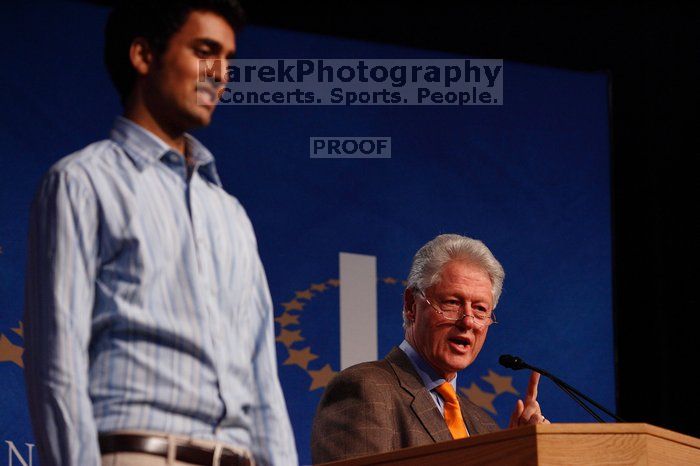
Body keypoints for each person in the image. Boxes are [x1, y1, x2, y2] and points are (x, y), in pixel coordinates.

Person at [23, 1, 298, 465]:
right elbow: (57, 367)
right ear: (143, 56)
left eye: (228, 58)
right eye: (205, 50)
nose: (221, 73)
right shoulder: (81, 182)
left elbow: (262, 381)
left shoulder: (230, 214)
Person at [311, 234, 548, 463]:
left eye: (480, 309)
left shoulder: (483, 424)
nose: (467, 321)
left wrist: (518, 455)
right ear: (411, 305)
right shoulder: (366, 389)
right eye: (452, 303)